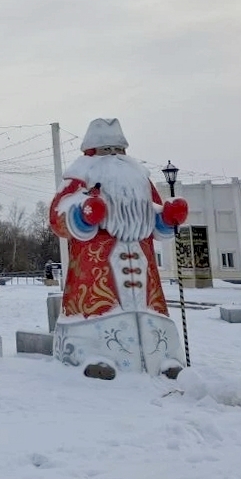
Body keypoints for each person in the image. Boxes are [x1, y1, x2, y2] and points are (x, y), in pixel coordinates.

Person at [49, 119, 188, 380]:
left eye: (119, 150)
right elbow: (58, 215)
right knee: (97, 309)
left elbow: (155, 215)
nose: (114, 157)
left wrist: (168, 217)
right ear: (91, 152)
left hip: (142, 265)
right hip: (95, 267)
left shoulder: (140, 179)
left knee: (152, 310)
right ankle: (94, 357)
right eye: (106, 150)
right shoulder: (80, 178)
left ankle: (163, 358)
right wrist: (82, 214)